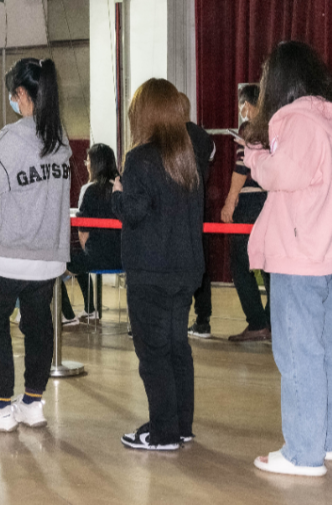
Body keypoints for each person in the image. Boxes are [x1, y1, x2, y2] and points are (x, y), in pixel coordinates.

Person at [244, 41, 332, 476]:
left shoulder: (299, 120)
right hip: (330, 255)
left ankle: (303, 452)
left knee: (298, 354)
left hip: (299, 257)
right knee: (324, 350)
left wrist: (254, 154)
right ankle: (331, 441)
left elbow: (279, 175)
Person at [0, 57, 72, 432]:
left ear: (22, 93)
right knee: (38, 326)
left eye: (13, 94)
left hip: (12, 253)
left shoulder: (13, 137)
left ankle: (0, 409)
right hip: (49, 254)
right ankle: (32, 403)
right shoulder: (60, 137)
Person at [113, 78, 212, 451]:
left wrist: (116, 196)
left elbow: (135, 212)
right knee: (177, 348)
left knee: (153, 354)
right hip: (186, 270)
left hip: (151, 271)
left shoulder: (140, 158)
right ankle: (180, 425)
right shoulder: (189, 157)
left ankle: (163, 432)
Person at [219, 85, 271, 342]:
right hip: (272, 200)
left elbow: (242, 166)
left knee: (240, 263)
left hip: (251, 203)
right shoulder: (275, 124)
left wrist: (230, 200)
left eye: (242, 106)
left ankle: (257, 322)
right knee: (271, 264)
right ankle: (272, 322)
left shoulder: (250, 128)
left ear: (247, 105)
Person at [58, 144, 121, 320]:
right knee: (81, 257)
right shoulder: (123, 187)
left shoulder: (89, 190)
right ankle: (90, 309)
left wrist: (90, 254)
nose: (86, 164)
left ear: (95, 164)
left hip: (97, 258)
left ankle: (68, 316)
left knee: (56, 263)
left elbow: (83, 232)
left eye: (88, 161)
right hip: (123, 258)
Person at [177, 93, 216, 339]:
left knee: (175, 266)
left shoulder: (170, 136)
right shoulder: (204, 137)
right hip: (199, 208)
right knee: (201, 266)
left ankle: (177, 319)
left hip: (176, 209)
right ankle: (203, 320)